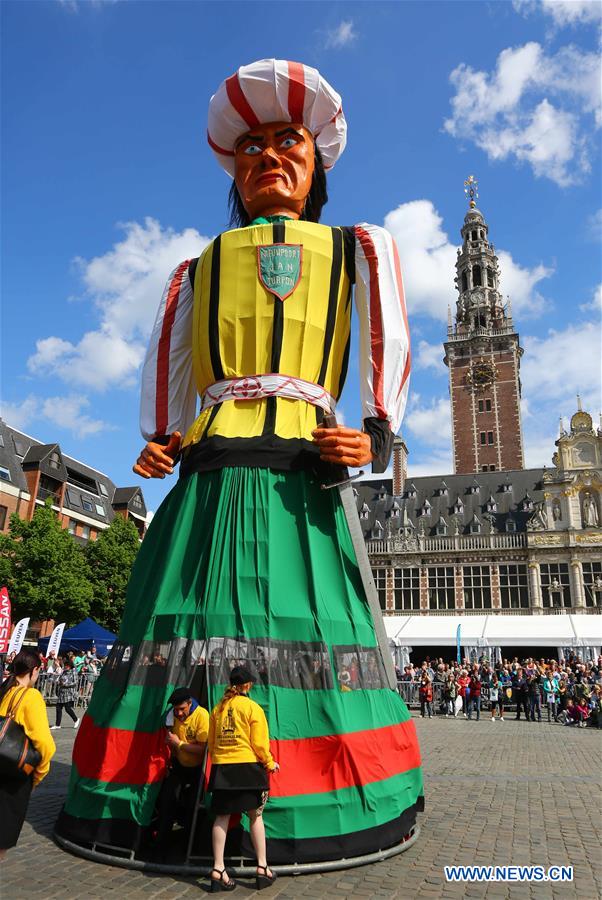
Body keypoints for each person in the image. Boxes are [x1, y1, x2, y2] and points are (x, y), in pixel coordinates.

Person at [58, 58, 422, 862]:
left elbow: (389, 333)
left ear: (316, 158)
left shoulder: (357, 245)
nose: (268, 156)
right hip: (215, 457)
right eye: (250, 145)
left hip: (305, 460)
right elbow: (170, 356)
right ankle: (168, 783)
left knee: (311, 608)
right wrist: (161, 431)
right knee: (183, 605)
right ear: (235, 166)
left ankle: (297, 797)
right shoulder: (197, 267)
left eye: (288, 139)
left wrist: (378, 429)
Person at [208, 666, 280, 892]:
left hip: (222, 769)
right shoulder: (252, 708)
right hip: (248, 769)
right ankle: (262, 868)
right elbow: (259, 744)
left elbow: (211, 743)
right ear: (248, 685)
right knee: (255, 816)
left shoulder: (217, 709)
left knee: (221, 817)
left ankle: (218, 869)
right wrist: (270, 763)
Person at [0, 648, 56, 858]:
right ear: (34, 670)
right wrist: (37, 776)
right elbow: (45, 745)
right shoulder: (31, 696)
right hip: (15, 778)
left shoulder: (6, 690)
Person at [155, 687, 209, 849]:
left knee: (193, 807)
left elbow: (202, 750)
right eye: (176, 709)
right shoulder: (172, 716)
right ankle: (160, 845)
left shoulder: (202, 716)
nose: (178, 713)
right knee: (167, 801)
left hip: (198, 768)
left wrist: (179, 744)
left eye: (182, 709)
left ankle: (189, 845)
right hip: (179, 766)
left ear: (190, 703)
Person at [50, 660, 80, 730]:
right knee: (58, 708)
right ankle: (57, 725)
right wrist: (58, 682)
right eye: (65, 665)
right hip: (62, 692)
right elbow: (60, 679)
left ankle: (76, 719)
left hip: (69, 692)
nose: (65, 667)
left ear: (70, 666)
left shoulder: (73, 672)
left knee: (67, 708)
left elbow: (75, 682)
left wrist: (66, 684)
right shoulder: (64, 672)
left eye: (66, 666)